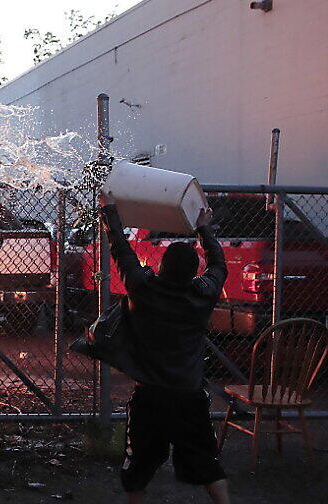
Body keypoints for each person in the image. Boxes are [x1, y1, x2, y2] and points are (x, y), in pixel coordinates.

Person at [99, 189, 230, 504]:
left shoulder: (143, 288)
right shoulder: (203, 294)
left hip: (151, 395)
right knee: (204, 459)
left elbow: (120, 248)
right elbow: (219, 265)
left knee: (139, 463)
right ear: (192, 272)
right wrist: (204, 227)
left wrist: (110, 210)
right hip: (189, 394)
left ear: (162, 267)